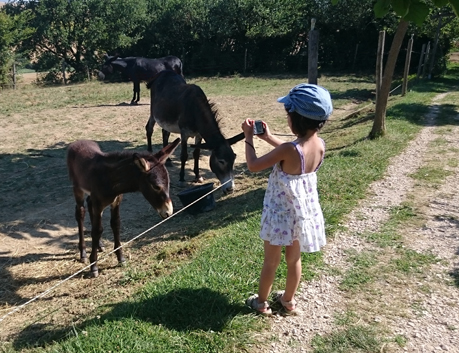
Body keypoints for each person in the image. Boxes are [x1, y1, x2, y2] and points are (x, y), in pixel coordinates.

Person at [241, 83, 333, 316]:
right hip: (301, 214)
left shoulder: (289, 150)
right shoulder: (319, 145)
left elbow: (253, 165)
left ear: (295, 119)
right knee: (294, 260)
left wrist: (249, 137)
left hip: (280, 214)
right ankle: (288, 300)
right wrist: (270, 137)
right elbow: (292, 152)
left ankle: (261, 303)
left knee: (271, 262)